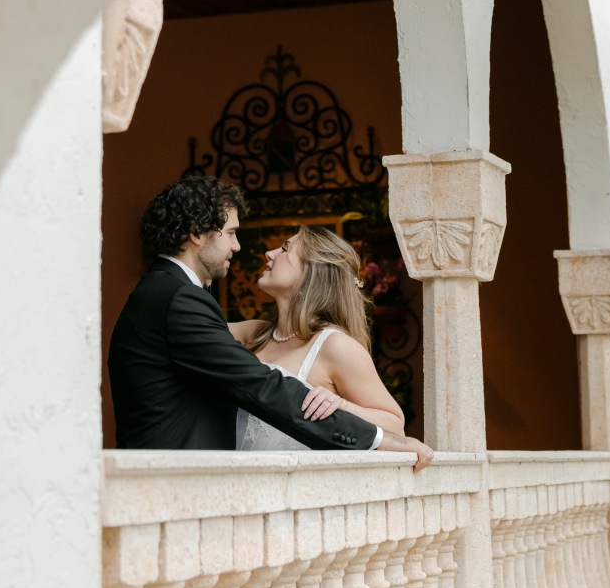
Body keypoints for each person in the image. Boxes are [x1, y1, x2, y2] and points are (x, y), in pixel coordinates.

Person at [107, 175, 433, 468]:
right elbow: (262, 386)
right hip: (180, 488)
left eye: (285, 249)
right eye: (232, 233)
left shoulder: (164, 294)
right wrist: (376, 440)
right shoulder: (186, 303)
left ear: (312, 275)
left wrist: (351, 412)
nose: (242, 247)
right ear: (196, 232)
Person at [229, 226, 407, 452]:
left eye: (285, 249)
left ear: (311, 273)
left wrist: (342, 405)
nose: (270, 253)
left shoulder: (335, 346)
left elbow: (396, 427)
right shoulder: (252, 333)